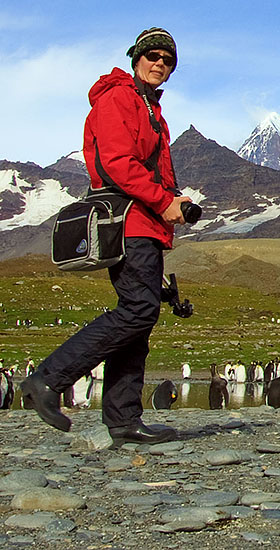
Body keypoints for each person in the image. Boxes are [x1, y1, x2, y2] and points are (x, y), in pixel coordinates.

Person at [20, 27, 192, 445]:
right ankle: (48, 379)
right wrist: (161, 199)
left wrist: (173, 200)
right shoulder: (119, 98)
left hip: (145, 221)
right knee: (136, 311)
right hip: (129, 220)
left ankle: (124, 418)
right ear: (136, 57)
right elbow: (117, 163)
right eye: (152, 55)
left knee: (140, 319)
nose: (159, 64)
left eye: (167, 60)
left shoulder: (150, 107)